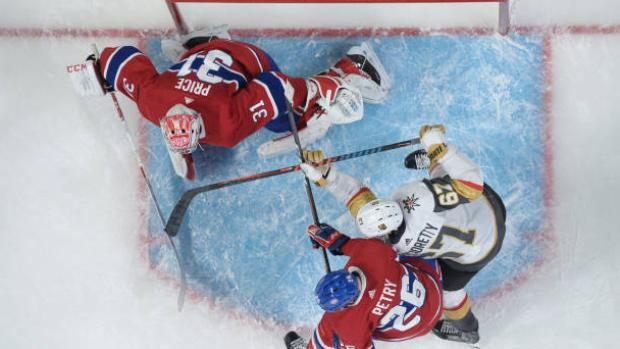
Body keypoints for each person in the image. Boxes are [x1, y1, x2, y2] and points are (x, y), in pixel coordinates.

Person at [67, 25, 391, 181]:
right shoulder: (152, 101)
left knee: (284, 119)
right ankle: (206, 43)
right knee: (217, 79)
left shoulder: (226, 126)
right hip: (203, 59)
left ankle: (352, 68)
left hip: (249, 59)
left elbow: (275, 86)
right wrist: (100, 68)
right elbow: (121, 58)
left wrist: (318, 90)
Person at [299, 124, 507, 345]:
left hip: (474, 246)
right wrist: (441, 149)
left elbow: (357, 199)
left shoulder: (388, 249)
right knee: (441, 176)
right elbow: (471, 186)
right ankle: (435, 157)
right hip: (485, 218)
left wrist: (328, 177)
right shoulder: (414, 201)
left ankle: (469, 332)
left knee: (451, 295)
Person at [284, 222, 443, 349]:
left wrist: (347, 343)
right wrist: (329, 237)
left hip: (416, 328)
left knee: (330, 326)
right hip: (434, 292)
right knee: (412, 240)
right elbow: (343, 243)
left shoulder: (347, 323)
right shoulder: (372, 252)